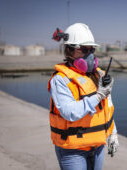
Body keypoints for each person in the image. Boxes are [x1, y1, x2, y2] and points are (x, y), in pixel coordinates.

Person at [48, 23, 119, 170]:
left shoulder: (99, 75)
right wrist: (98, 95)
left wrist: (113, 134)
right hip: (73, 150)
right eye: (84, 50)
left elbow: (108, 108)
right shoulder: (61, 80)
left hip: (98, 145)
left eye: (92, 49)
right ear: (69, 50)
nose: (90, 54)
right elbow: (69, 112)